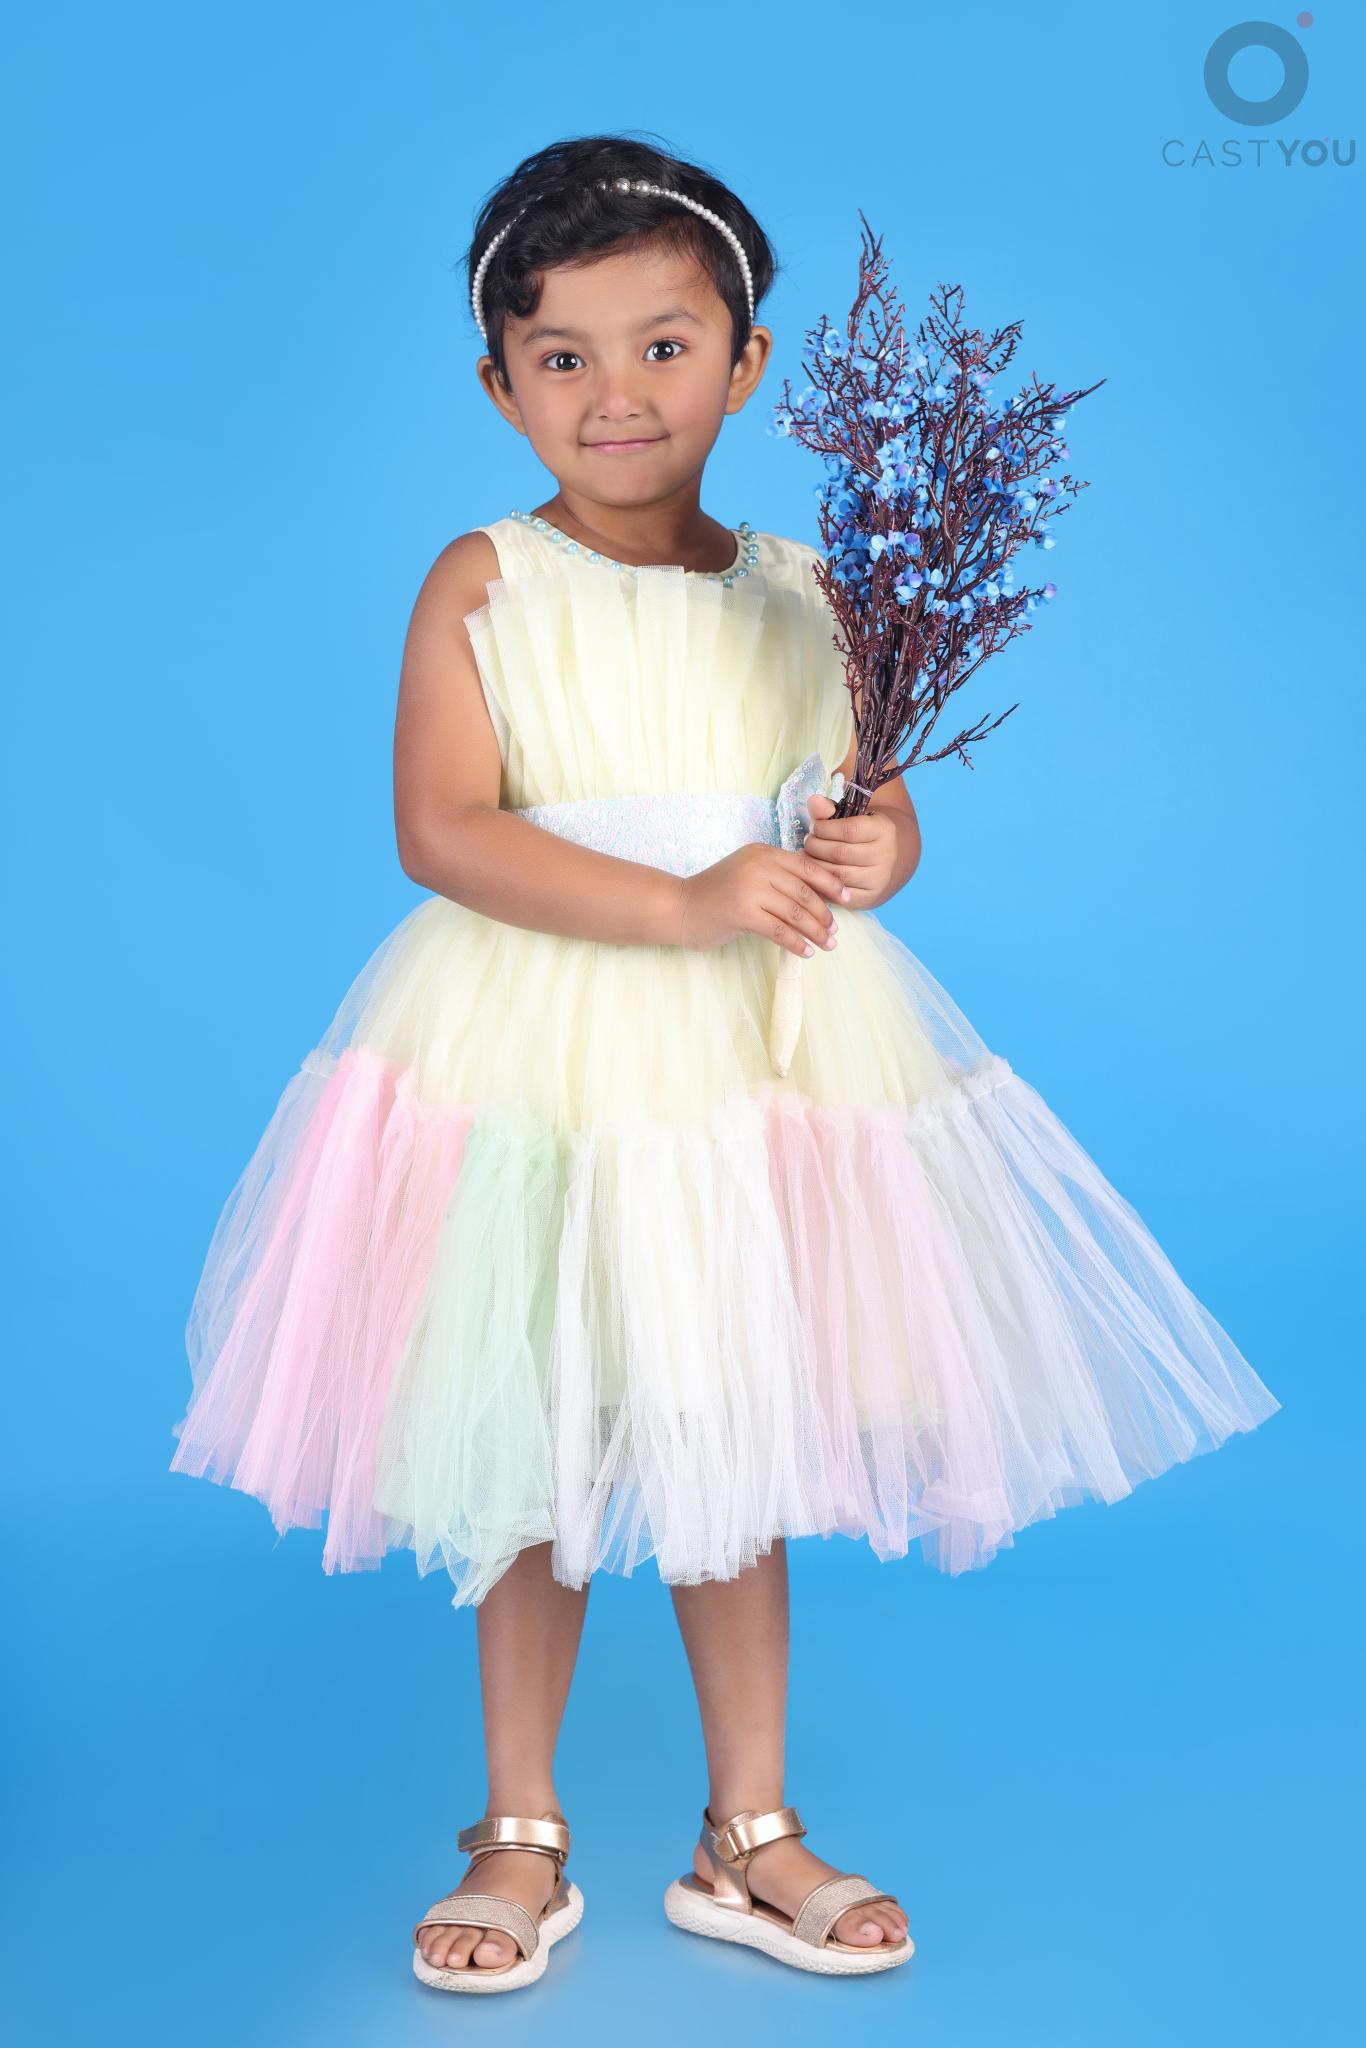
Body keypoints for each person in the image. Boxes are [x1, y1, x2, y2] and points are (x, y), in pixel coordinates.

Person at [168, 133, 1281, 1994]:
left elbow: (857, 801)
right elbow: (442, 829)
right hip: (541, 1049)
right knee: (521, 1430)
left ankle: (746, 1830)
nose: (616, 393)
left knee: (725, 1424)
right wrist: (677, 903)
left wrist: (876, 850)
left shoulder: (807, 588)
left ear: (748, 363)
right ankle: (519, 1830)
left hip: (750, 1063)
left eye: (665, 347)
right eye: (563, 356)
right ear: (499, 383)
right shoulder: (485, 581)